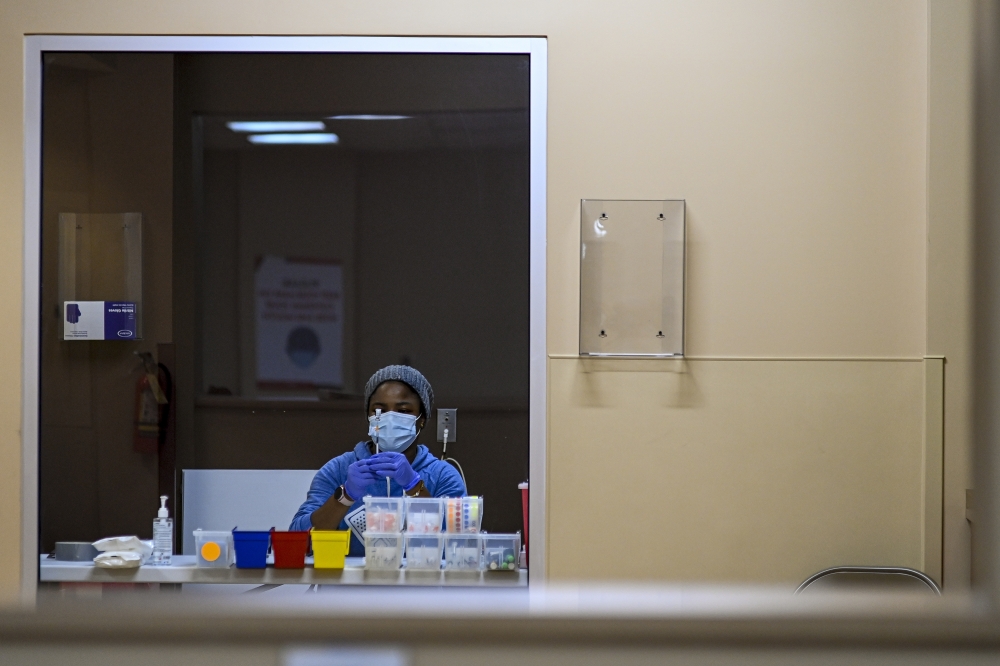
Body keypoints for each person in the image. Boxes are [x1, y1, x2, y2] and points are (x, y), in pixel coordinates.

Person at [290, 365, 466, 555]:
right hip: (344, 583)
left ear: (422, 419)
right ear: (369, 416)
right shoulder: (337, 470)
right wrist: (345, 496)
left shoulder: (442, 476)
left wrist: (416, 488)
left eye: (404, 411)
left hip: (418, 583)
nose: (390, 418)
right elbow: (297, 543)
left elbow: (460, 547)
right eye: (379, 410)